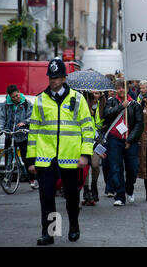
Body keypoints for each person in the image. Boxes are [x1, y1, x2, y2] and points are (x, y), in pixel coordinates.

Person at [26, 58, 94, 245]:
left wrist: (85, 154)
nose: (53, 80)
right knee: (47, 196)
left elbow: (88, 129)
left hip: (70, 156)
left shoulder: (77, 99)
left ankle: (73, 226)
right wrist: (31, 159)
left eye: (56, 77)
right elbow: (33, 132)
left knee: (72, 196)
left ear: (64, 78)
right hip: (45, 157)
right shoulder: (40, 99)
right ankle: (50, 233)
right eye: (51, 77)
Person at [103, 80, 143, 206]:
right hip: (114, 139)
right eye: (118, 88)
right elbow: (107, 115)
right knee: (115, 168)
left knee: (133, 168)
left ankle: (129, 189)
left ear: (127, 89)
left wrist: (130, 139)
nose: (121, 90)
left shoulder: (135, 104)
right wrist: (121, 107)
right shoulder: (111, 101)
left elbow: (139, 124)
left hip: (130, 140)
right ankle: (119, 196)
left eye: (123, 88)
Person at [0, 85, 36, 189]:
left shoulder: (27, 103)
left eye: (16, 96)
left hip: (22, 134)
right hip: (9, 134)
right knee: (8, 158)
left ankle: (32, 179)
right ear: (9, 96)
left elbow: (31, 116)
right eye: (13, 97)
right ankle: (7, 179)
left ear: (19, 92)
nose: (15, 98)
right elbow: (1, 117)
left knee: (26, 158)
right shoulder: (6, 104)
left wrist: (24, 122)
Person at [82, 90, 106, 204]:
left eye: (96, 94)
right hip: (86, 141)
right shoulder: (83, 109)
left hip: (97, 139)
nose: (93, 99)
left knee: (95, 165)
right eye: (91, 97)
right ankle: (86, 189)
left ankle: (94, 185)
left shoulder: (102, 105)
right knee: (85, 165)